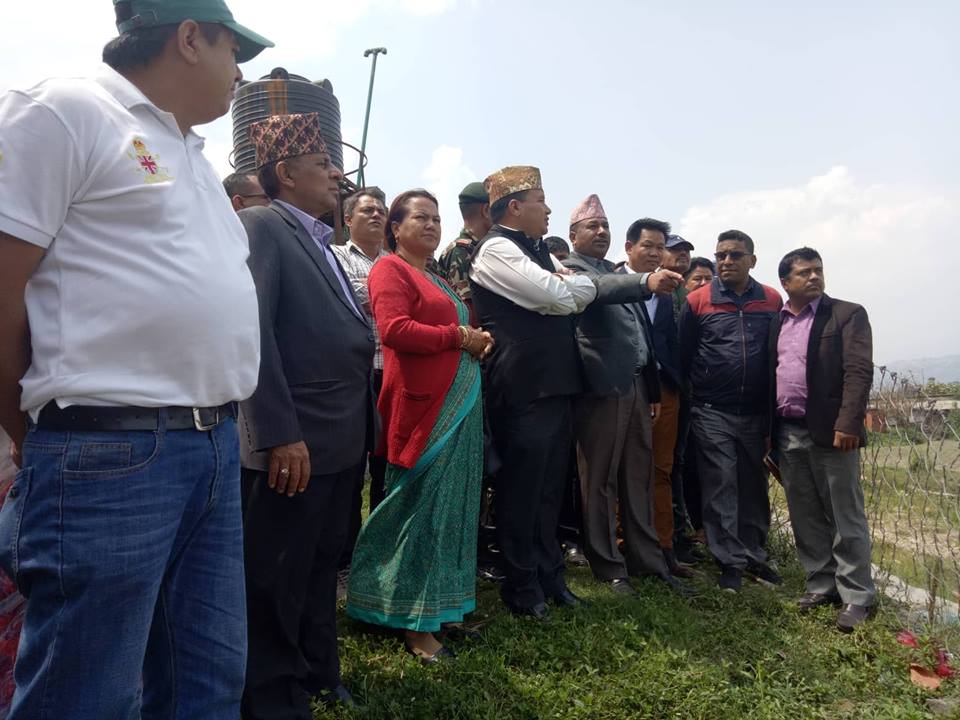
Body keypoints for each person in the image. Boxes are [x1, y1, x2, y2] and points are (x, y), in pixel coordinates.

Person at [0, 2, 271, 717]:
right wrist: (37, 436)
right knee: (84, 695)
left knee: (205, 684)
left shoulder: (192, 153)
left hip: (211, 445)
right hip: (109, 452)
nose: (240, 73)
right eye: (233, 51)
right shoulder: (63, 111)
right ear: (190, 38)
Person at [238, 112, 374, 716]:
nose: (337, 175)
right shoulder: (262, 225)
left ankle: (318, 671)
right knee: (277, 575)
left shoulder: (321, 242)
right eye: (322, 164)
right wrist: (278, 433)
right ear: (286, 173)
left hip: (339, 439)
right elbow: (254, 332)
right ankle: (269, 695)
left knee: (320, 565)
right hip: (296, 443)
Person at [346, 189, 492, 663]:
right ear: (396, 227)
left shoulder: (436, 278)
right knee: (420, 511)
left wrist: (474, 339)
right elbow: (394, 330)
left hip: (458, 403)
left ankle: (442, 608)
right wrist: (460, 336)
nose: (431, 225)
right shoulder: (390, 269)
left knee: (452, 510)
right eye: (420, 218)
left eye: (436, 218)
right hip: (424, 409)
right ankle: (411, 623)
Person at [469, 166, 597, 618]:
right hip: (523, 385)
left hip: (555, 382)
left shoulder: (539, 250)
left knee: (549, 488)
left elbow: (574, 289)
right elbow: (554, 297)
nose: (548, 210)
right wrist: (568, 288)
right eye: (540, 201)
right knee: (522, 489)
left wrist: (569, 286)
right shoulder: (496, 249)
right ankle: (522, 586)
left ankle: (549, 576)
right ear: (515, 207)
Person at [565, 198, 685, 596]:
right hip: (601, 387)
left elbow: (642, 336)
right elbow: (597, 292)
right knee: (599, 479)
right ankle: (608, 565)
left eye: (605, 226)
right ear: (573, 235)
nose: (601, 232)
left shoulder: (614, 272)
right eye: (592, 226)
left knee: (639, 475)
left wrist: (651, 388)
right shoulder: (569, 269)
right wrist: (643, 282)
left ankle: (647, 561)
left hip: (635, 386)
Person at [770, 247, 876, 632]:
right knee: (805, 513)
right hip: (787, 431)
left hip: (833, 432)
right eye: (804, 272)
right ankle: (821, 585)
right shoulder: (777, 321)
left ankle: (857, 597)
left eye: (817, 270)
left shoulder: (846, 314)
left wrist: (849, 422)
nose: (814, 276)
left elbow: (858, 371)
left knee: (845, 515)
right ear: (786, 282)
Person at [679, 230, 783, 592]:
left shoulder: (771, 299)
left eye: (735, 255)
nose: (726, 261)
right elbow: (684, 353)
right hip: (712, 410)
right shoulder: (697, 301)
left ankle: (754, 554)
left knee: (753, 484)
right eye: (720, 255)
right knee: (720, 482)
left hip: (757, 411)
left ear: (752, 260)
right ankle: (729, 562)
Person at [623, 218, 693, 578]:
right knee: (621, 469)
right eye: (647, 245)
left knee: (661, 470)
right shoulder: (612, 284)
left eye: (659, 247)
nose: (654, 253)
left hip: (665, 390)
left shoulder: (672, 293)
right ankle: (621, 547)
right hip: (623, 387)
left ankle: (664, 548)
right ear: (629, 248)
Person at [333, 187, 390, 577]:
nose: (376, 215)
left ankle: (382, 551)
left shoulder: (397, 261)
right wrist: (391, 298)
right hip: (355, 374)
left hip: (394, 373)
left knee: (387, 465)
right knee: (351, 467)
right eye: (367, 210)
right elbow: (350, 300)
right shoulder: (334, 257)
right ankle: (347, 555)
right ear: (348, 219)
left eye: (381, 211)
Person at [438, 181, 492, 313]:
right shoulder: (460, 252)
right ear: (486, 210)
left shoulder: (478, 248)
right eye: (498, 210)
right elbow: (466, 309)